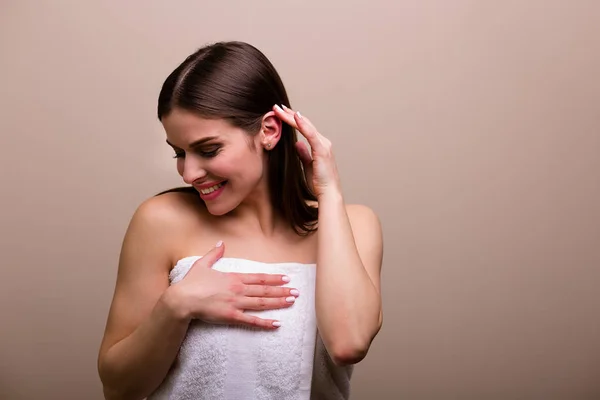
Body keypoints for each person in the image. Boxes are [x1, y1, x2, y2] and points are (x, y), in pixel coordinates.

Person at [97, 40, 384, 400]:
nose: (188, 172)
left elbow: (348, 343)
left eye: (208, 150)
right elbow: (118, 388)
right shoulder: (160, 221)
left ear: (268, 131)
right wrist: (176, 306)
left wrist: (329, 193)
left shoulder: (355, 225)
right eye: (179, 153)